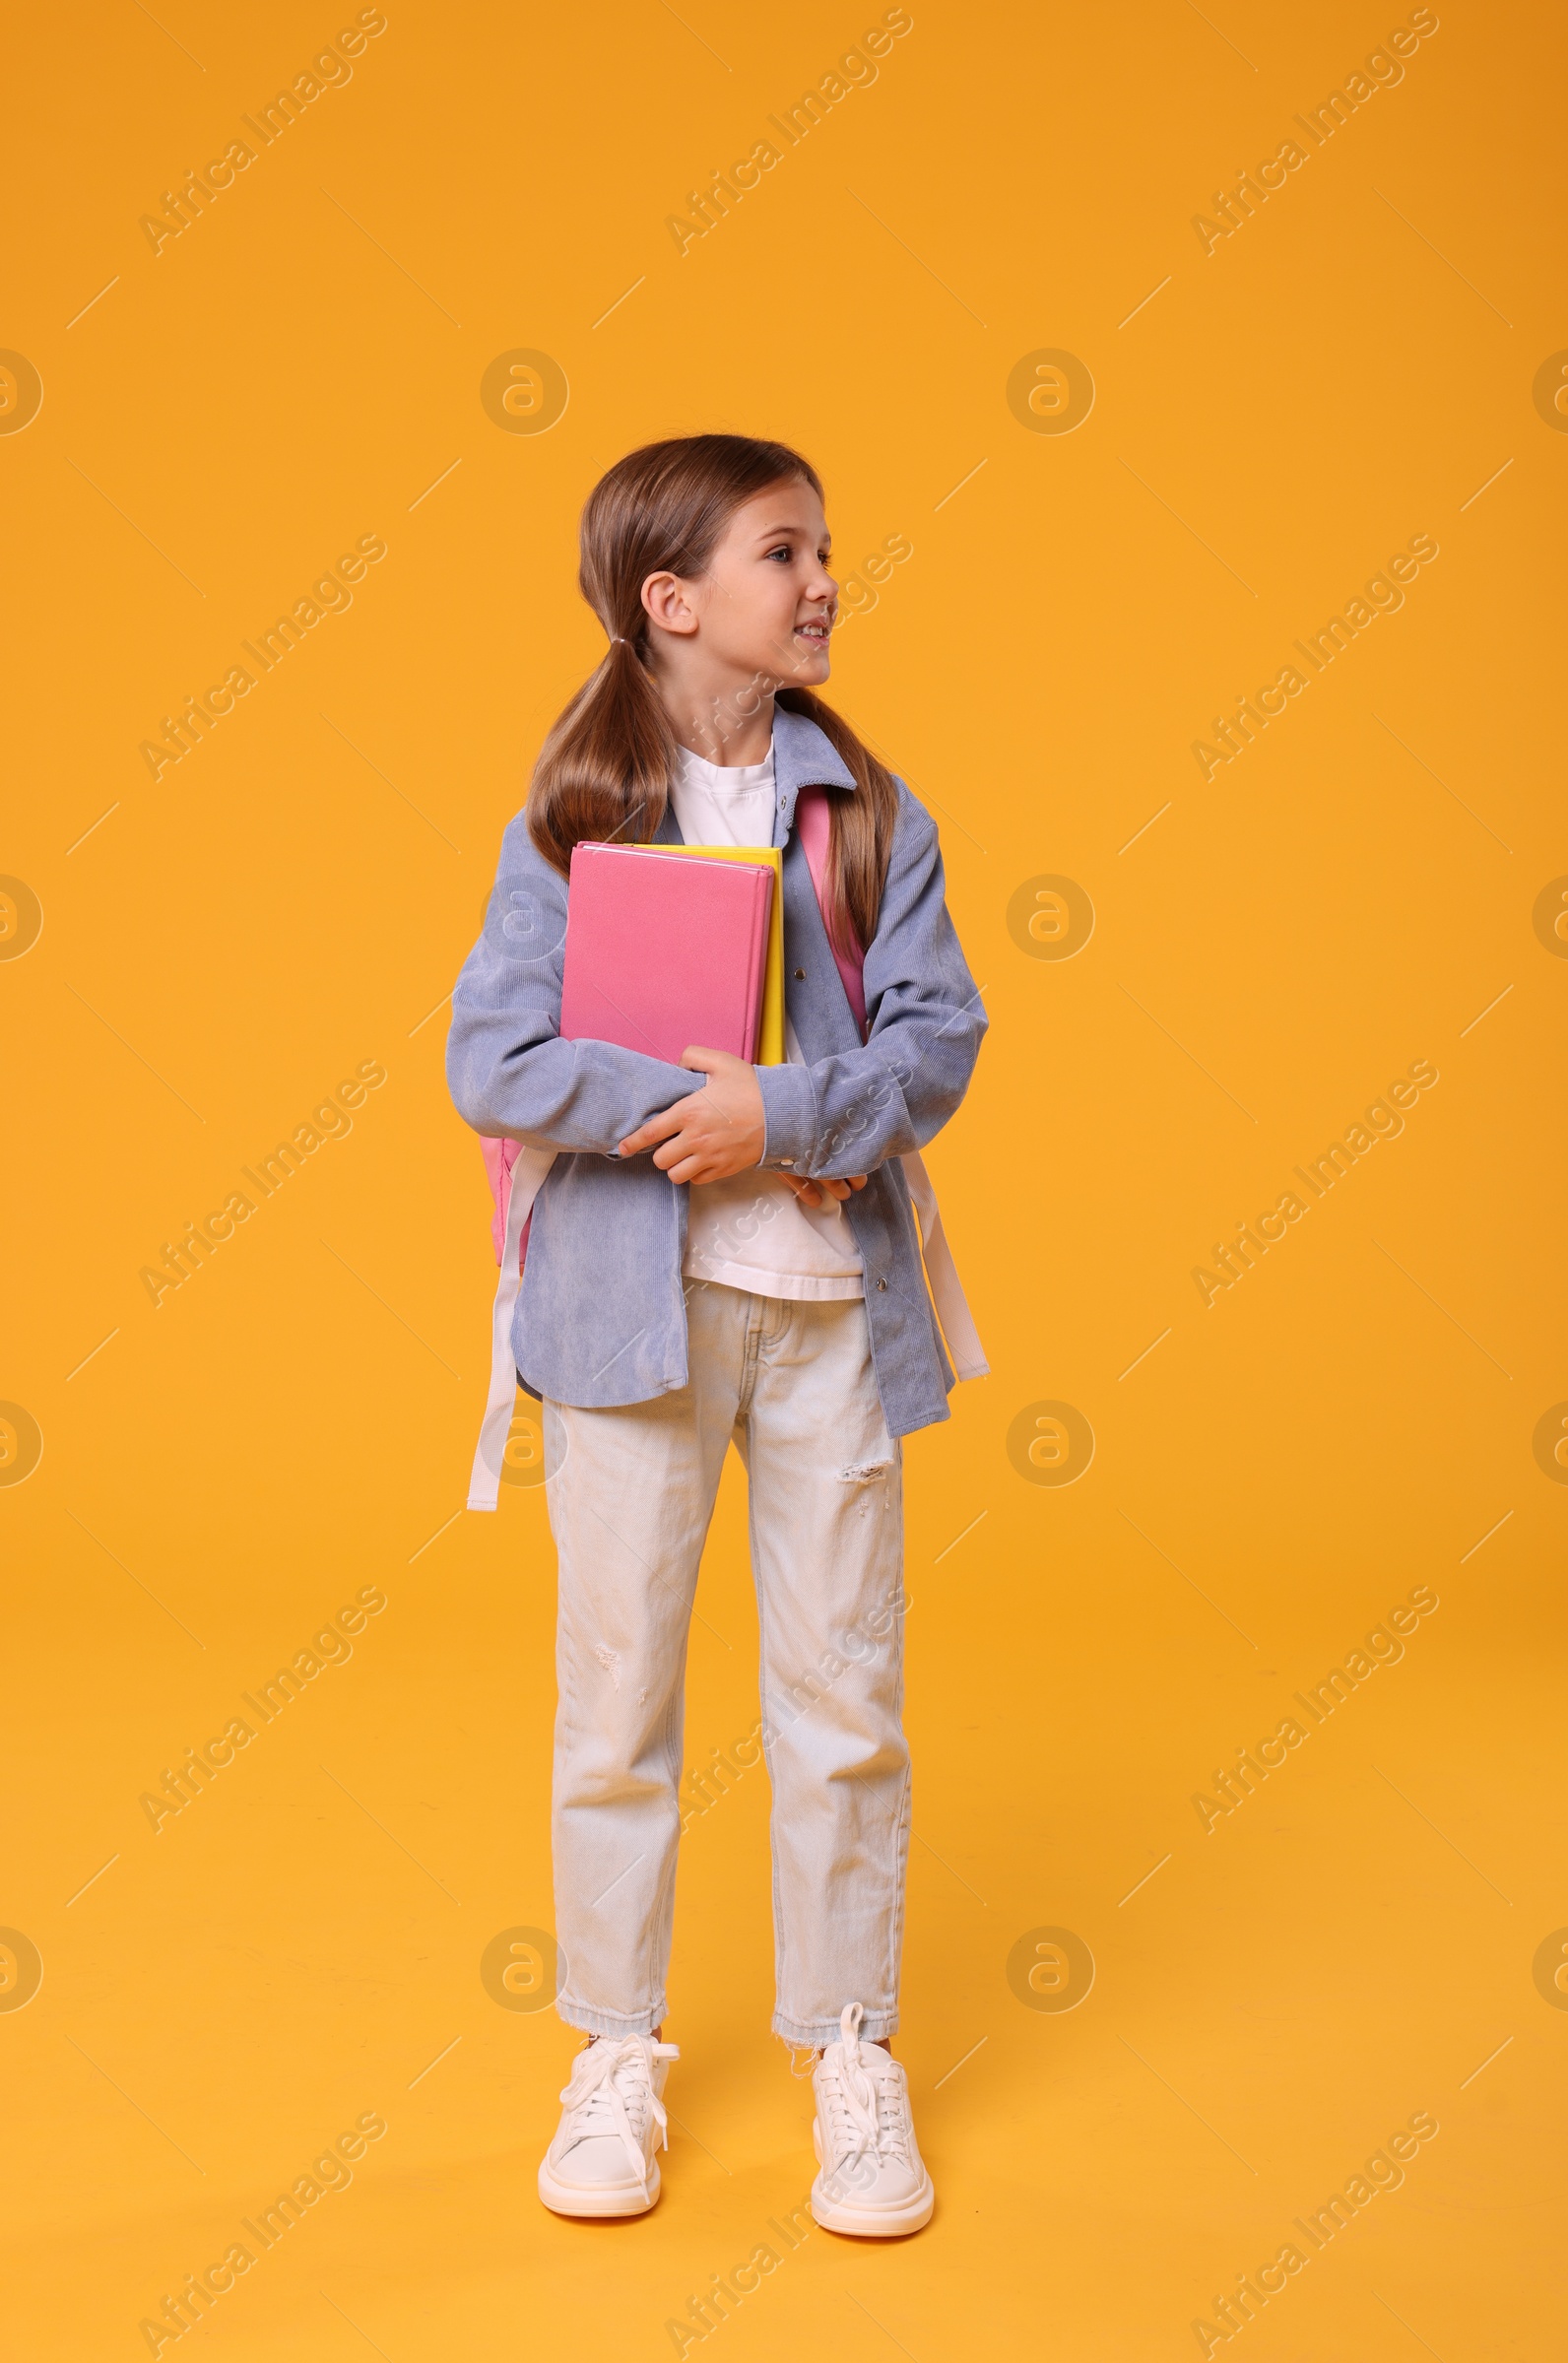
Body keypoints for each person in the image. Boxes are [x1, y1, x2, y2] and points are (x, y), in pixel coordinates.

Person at [446, 432, 986, 2235]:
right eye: (785, 551)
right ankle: (613, 2052)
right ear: (673, 602)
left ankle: (849, 2045)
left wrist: (796, 1118)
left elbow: (938, 1040)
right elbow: (489, 1058)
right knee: (617, 1702)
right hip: (631, 1319)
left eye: (829, 546)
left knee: (842, 1697)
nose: (825, 578)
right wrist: (691, 1111)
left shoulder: (873, 815)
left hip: (828, 1314)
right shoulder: (578, 816)